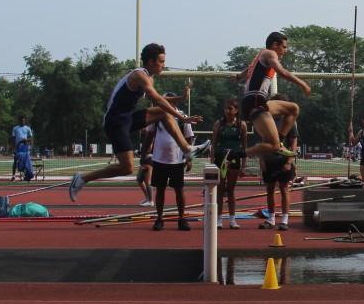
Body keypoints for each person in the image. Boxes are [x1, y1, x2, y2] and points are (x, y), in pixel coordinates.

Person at [69, 43, 208, 202]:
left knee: (162, 113)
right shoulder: (139, 75)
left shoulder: (149, 78)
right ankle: (82, 178)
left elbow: (158, 98)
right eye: (161, 61)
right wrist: (181, 117)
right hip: (115, 122)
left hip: (127, 118)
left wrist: (181, 99)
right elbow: (156, 98)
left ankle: (186, 149)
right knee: (127, 167)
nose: (164, 65)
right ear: (150, 61)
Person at [231, 31, 310, 163]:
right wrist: (303, 84)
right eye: (284, 47)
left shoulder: (260, 57)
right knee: (272, 146)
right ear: (275, 45)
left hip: (258, 101)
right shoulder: (270, 53)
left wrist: (238, 76)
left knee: (293, 108)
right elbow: (281, 71)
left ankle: (280, 142)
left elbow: (248, 70)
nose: (285, 51)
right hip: (254, 101)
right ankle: (234, 155)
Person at [141, 105, 194, 231]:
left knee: (179, 190)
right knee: (160, 190)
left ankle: (182, 219)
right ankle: (159, 219)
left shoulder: (183, 118)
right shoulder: (157, 117)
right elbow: (150, 136)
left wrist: (189, 158)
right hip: (159, 159)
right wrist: (144, 154)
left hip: (177, 160)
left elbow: (189, 139)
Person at [211, 99, 248, 229]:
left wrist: (243, 166)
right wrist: (212, 163)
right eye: (226, 108)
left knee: (231, 190)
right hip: (221, 157)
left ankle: (232, 220)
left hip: (234, 157)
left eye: (230, 108)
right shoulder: (218, 123)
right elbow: (213, 144)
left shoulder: (241, 124)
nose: (227, 111)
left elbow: (244, 147)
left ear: (236, 110)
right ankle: (218, 219)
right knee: (220, 190)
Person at [10, 115, 34, 182]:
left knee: (26, 161)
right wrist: (13, 147)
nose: (22, 121)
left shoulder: (28, 128)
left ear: (25, 121)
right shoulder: (15, 128)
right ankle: (13, 176)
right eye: (21, 120)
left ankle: (26, 175)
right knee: (15, 161)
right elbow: (13, 138)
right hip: (18, 146)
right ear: (19, 121)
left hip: (25, 146)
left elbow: (30, 138)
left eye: (24, 120)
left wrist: (26, 140)